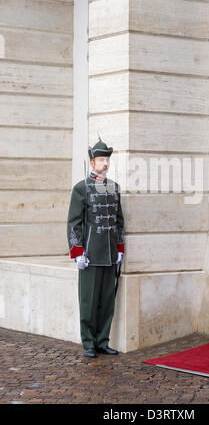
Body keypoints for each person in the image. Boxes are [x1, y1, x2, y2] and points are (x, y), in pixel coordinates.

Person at [67, 137, 125, 358]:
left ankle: (102, 340)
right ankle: (88, 342)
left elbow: (119, 221)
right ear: (92, 163)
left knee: (106, 300)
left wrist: (120, 249)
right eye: (101, 160)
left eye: (107, 160)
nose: (105, 164)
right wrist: (78, 252)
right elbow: (74, 222)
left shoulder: (114, 188)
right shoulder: (81, 189)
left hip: (110, 254)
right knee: (89, 300)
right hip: (90, 254)